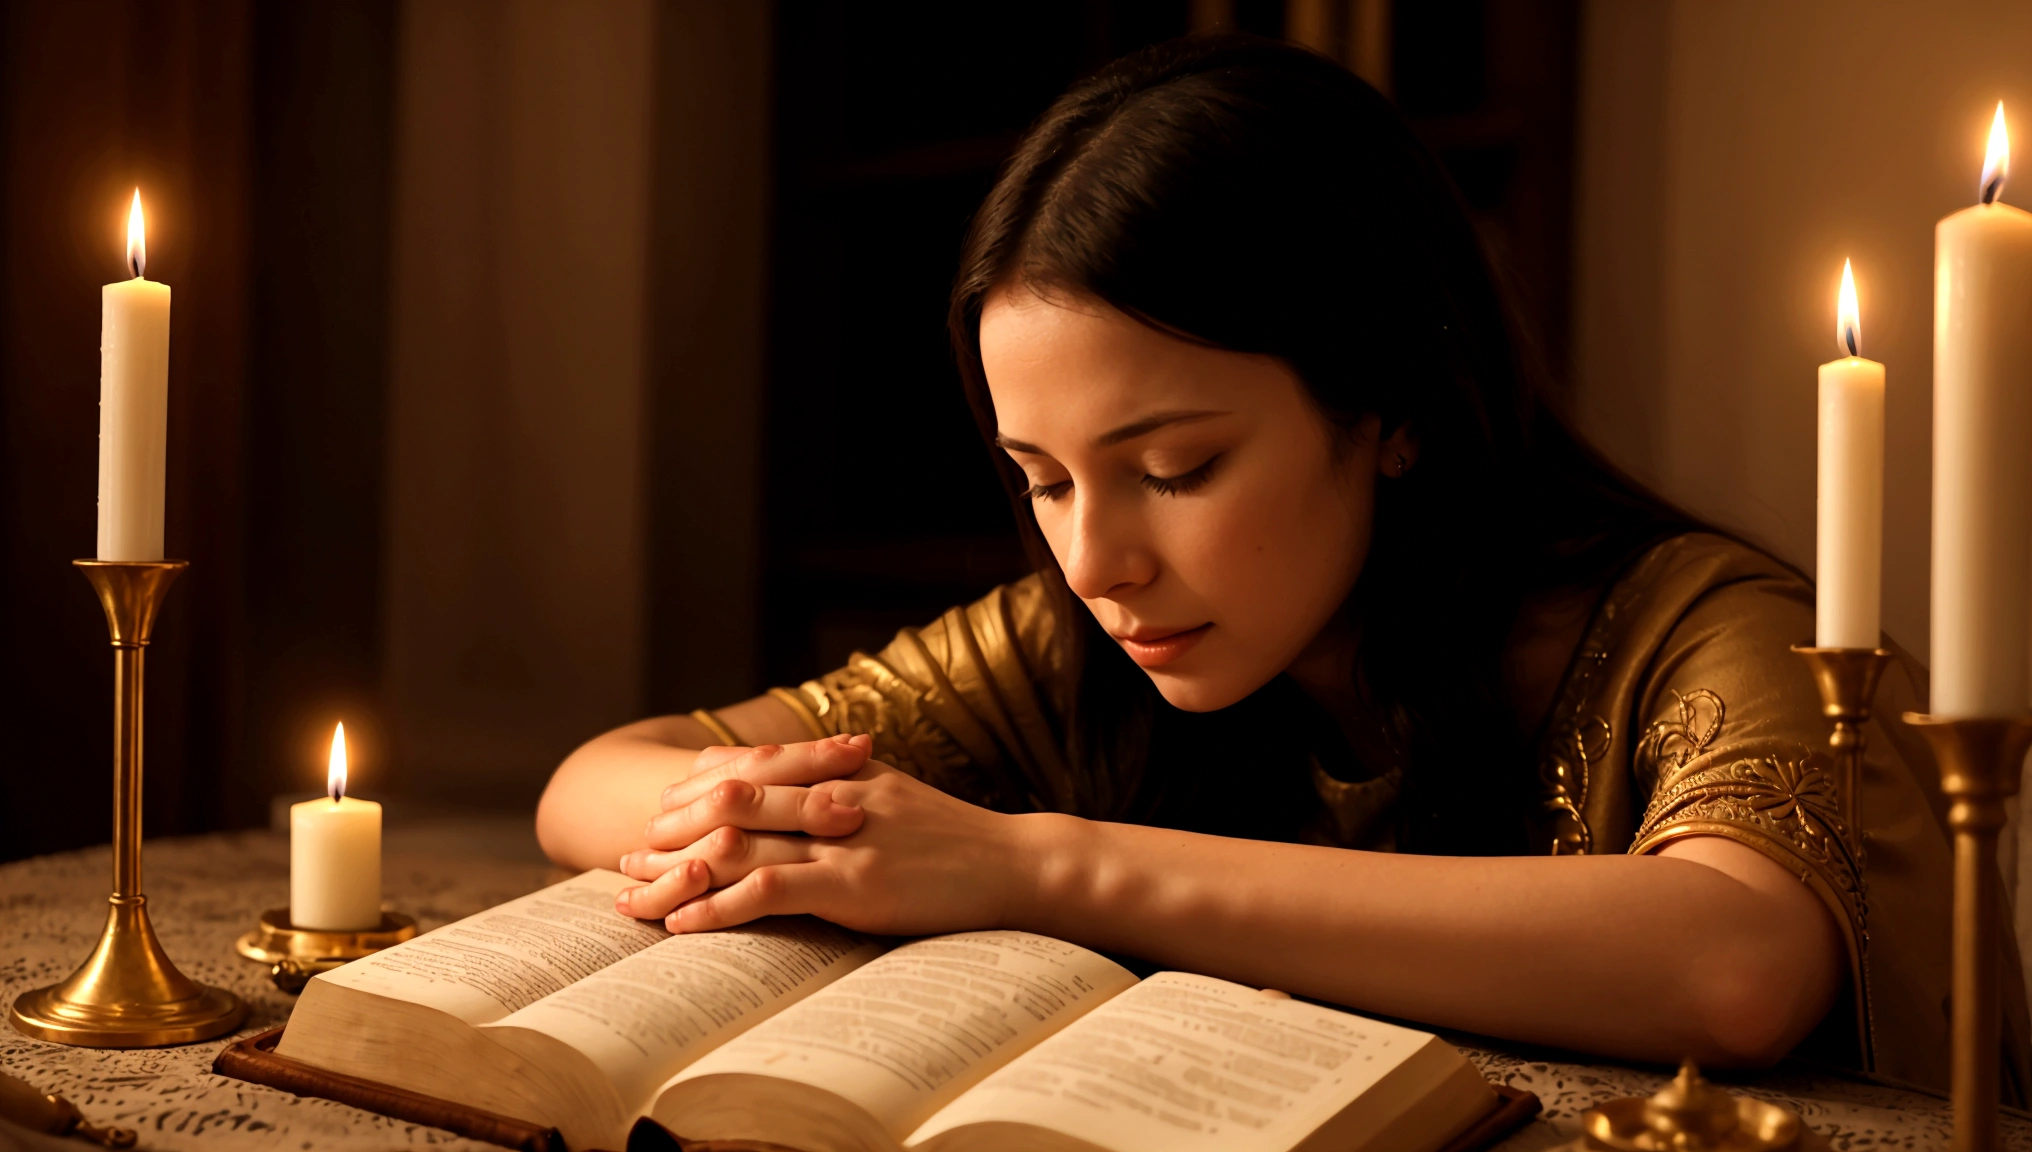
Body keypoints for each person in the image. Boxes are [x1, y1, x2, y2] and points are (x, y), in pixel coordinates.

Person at [535, 34, 2023, 1090]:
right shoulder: (1073, 638)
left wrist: (1037, 865)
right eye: (1040, 480)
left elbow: (1733, 962)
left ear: (1395, 410)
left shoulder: (1712, 632)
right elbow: (596, 780)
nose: (1097, 558)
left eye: (1175, 469)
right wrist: (786, 823)